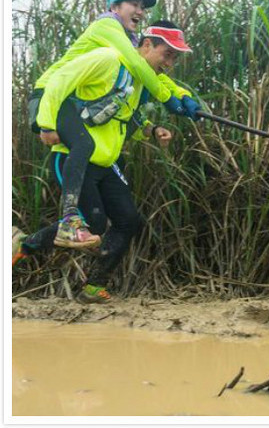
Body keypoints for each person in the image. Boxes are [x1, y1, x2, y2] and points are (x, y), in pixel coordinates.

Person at [13, 21, 196, 304]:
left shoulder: (138, 80)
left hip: (107, 163)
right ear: (147, 45)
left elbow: (126, 118)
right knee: (95, 222)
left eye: (175, 57)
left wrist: (151, 129)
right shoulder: (108, 58)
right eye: (167, 54)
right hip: (74, 158)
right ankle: (24, 244)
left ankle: (94, 287)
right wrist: (46, 123)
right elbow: (60, 80)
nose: (170, 63)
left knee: (128, 220)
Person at [24, 0, 199, 249]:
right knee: (85, 144)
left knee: (100, 214)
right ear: (114, 7)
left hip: (68, 95)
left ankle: (34, 241)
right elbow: (139, 64)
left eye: (143, 7)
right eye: (133, 4)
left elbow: (146, 70)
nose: (140, 11)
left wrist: (183, 95)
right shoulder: (106, 26)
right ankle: (69, 222)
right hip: (50, 92)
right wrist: (167, 99)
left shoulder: (128, 40)